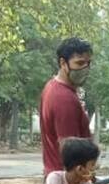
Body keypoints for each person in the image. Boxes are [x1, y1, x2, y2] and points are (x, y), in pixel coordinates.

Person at [40, 37, 93, 175]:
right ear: (63, 63)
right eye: (79, 63)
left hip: (58, 179)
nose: (85, 68)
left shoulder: (52, 87)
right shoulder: (63, 98)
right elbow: (69, 150)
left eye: (88, 63)